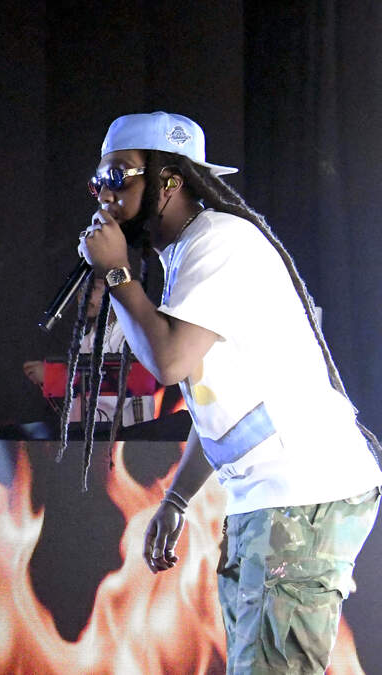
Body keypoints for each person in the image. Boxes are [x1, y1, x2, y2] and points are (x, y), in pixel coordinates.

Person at [78, 112, 382, 673]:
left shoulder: (219, 242)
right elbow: (222, 409)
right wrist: (176, 499)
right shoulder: (186, 254)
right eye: (97, 179)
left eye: (118, 175)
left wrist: (118, 275)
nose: (103, 193)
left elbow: (168, 361)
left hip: (301, 491)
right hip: (269, 496)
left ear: (170, 181)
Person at [24, 281, 155, 426]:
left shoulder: (131, 336)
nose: (83, 296)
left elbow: (118, 390)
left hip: (131, 435)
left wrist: (52, 376)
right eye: (80, 290)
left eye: (93, 288)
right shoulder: (85, 341)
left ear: (114, 292)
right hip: (94, 435)